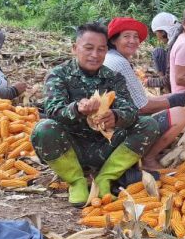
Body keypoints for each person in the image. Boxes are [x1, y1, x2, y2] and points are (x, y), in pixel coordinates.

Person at [30, 22, 161, 206]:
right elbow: (53, 110)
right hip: (72, 147)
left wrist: (115, 116)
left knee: (149, 124)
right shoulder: (59, 75)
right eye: (89, 48)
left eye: (101, 49)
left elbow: (131, 110)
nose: (95, 55)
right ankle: (76, 181)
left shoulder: (113, 77)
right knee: (43, 129)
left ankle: (105, 177)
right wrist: (77, 109)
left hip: (106, 146)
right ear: (75, 48)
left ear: (106, 50)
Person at [103, 17, 185, 172]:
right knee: (179, 115)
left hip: (111, 123)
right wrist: (173, 101)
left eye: (135, 37)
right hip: (114, 130)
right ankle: (148, 159)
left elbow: (138, 100)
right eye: (126, 36)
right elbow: (142, 107)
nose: (133, 41)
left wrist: (169, 97)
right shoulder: (120, 63)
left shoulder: (110, 57)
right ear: (114, 40)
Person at [146, 12, 183, 91]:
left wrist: (149, 82)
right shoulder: (181, 36)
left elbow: (169, 78)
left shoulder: (176, 45)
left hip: (181, 84)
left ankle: (168, 91)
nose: (158, 38)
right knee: (159, 51)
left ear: (163, 32)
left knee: (157, 52)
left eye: (156, 33)